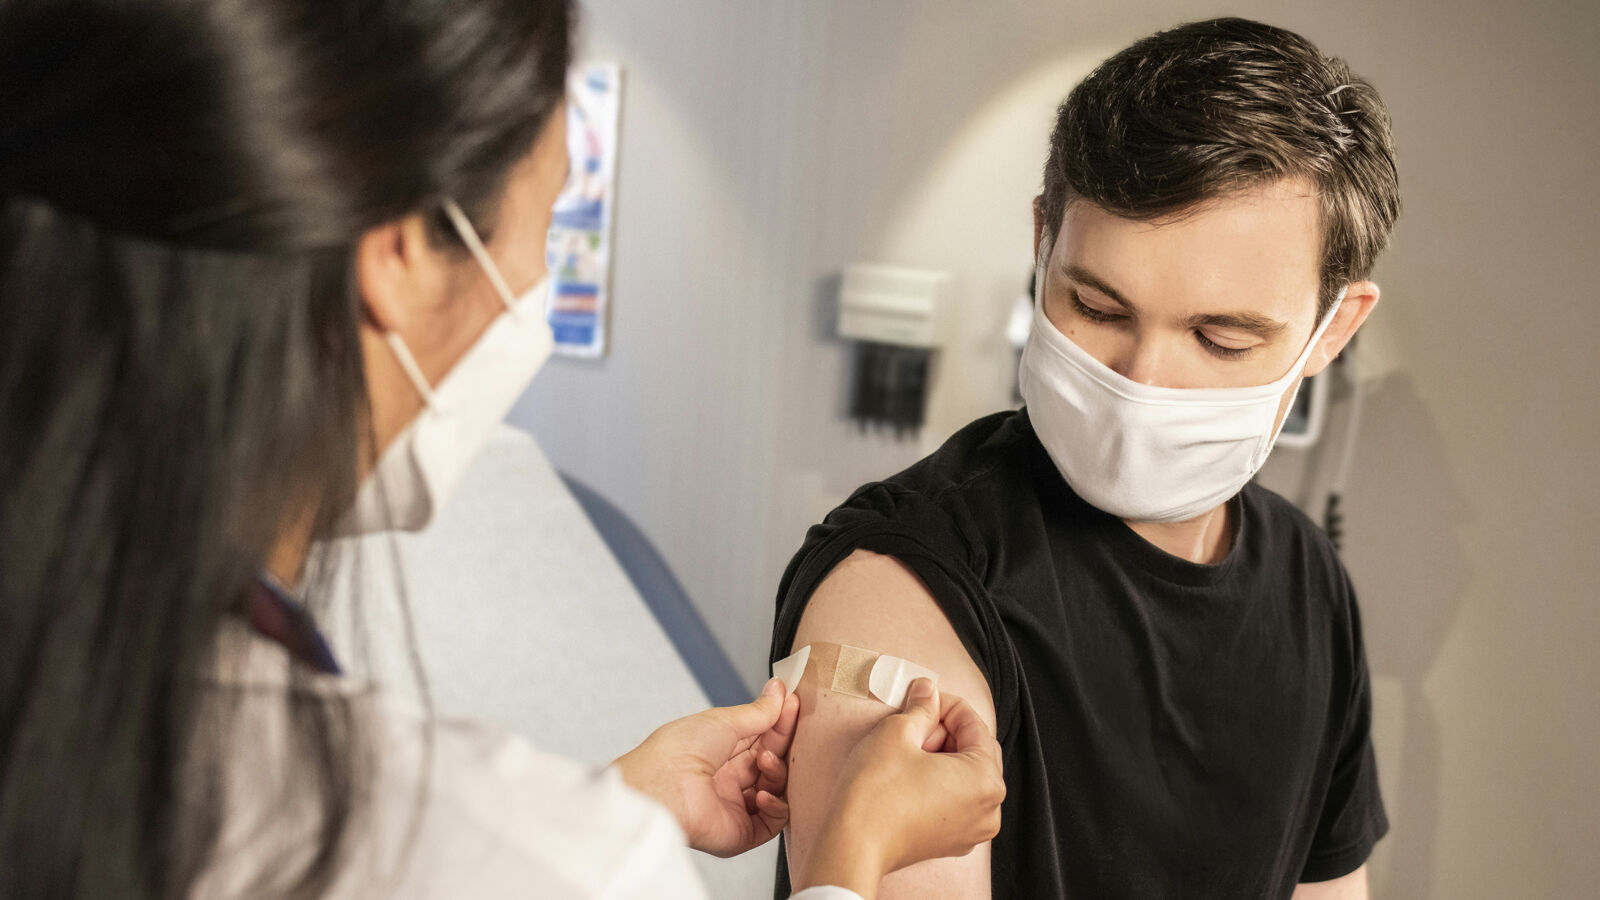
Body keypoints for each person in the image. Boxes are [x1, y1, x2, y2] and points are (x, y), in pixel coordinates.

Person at [0, 1, 1004, 898]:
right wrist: (846, 863)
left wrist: (614, 804)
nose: (538, 274)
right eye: (556, 216)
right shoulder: (528, 852)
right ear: (398, 251)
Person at [771, 17, 1399, 900]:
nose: (1140, 383)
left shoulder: (1312, 585)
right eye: (1098, 307)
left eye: (1219, 338)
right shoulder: (907, 579)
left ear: (1334, 327)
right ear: (1043, 244)